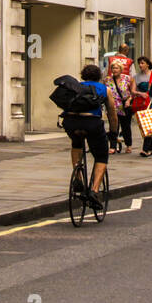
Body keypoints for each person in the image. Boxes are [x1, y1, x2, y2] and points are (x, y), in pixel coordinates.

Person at [62, 64, 119, 203]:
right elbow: (112, 114)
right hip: (91, 123)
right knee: (101, 155)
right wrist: (113, 132)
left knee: (76, 143)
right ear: (99, 76)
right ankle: (94, 191)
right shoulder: (104, 89)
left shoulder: (75, 86)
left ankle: (78, 177)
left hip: (71, 122)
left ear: (82, 75)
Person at [131, 56, 152, 157]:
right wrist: (140, 93)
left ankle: (145, 149)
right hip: (141, 104)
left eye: (142, 63)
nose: (140, 65)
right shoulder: (136, 77)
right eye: (139, 63)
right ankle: (151, 148)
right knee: (145, 126)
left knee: (148, 125)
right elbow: (132, 91)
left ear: (147, 64)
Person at [106, 61, 134, 153]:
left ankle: (128, 145)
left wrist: (129, 100)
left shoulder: (128, 79)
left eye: (117, 68)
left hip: (125, 106)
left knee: (126, 127)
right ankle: (112, 146)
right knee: (113, 127)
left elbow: (133, 92)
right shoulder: (107, 80)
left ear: (121, 69)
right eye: (113, 68)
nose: (115, 70)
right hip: (112, 107)